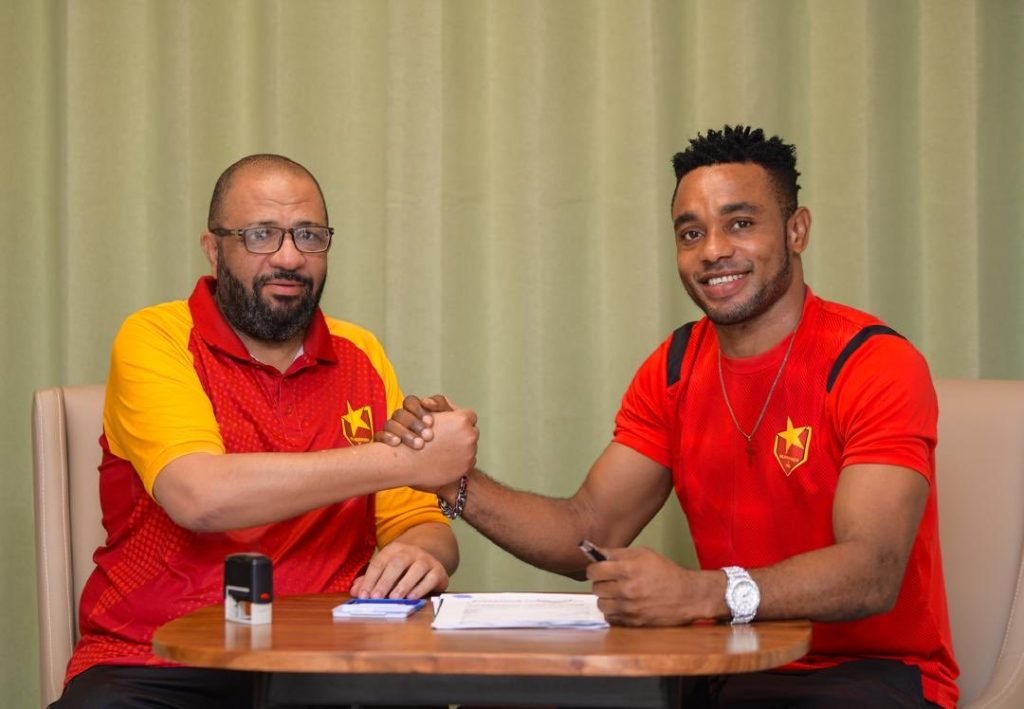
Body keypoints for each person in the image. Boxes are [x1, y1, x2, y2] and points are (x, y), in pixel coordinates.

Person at [379, 126, 958, 708]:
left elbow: (872, 569)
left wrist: (702, 594)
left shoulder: (873, 362)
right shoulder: (674, 367)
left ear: (796, 230)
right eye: (691, 233)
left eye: (740, 223)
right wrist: (453, 479)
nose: (712, 251)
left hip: (870, 676)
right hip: (725, 666)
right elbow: (589, 530)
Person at [53, 154, 479, 708]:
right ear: (214, 249)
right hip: (156, 657)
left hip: (327, 657)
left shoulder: (361, 354)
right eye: (261, 235)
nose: (289, 257)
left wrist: (420, 554)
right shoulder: (156, 337)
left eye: (309, 235)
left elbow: (418, 521)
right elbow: (200, 497)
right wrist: (406, 461)